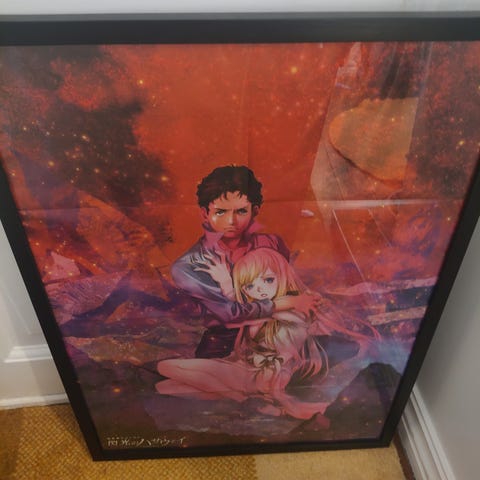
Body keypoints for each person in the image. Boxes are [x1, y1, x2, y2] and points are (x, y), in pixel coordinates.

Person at [157, 248, 332, 420]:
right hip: (245, 369)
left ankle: (242, 399)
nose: (260, 290)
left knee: (165, 367)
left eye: (268, 280)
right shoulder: (276, 308)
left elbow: (248, 314)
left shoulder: (295, 313)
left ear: (283, 275)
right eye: (250, 286)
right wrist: (227, 284)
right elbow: (247, 312)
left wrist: (287, 303)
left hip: (262, 376)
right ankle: (258, 404)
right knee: (164, 387)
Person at [171, 165, 321, 358]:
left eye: (241, 211)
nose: (231, 221)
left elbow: (289, 286)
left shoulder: (270, 243)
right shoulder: (189, 265)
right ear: (205, 213)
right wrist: (284, 304)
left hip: (281, 332)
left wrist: (304, 301)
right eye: (220, 212)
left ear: (255, 211)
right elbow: (229, 314)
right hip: (224, 341)